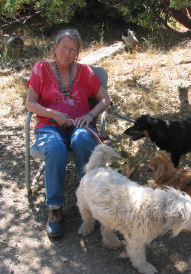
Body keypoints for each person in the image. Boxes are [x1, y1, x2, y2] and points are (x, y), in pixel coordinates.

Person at [26, 29, 111, 237]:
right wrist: (53, 114)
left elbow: (105, 100)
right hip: (49, 125)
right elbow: (30, 104)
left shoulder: (85, 71)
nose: (68, 52)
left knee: (83, 139)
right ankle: (55, 207)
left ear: (78, 52)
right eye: (64, 47)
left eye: (73, 49)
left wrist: (90, 115)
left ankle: (89, 201)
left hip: (79, 124)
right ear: (54, 47)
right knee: (55, 147)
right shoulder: (40, 69)